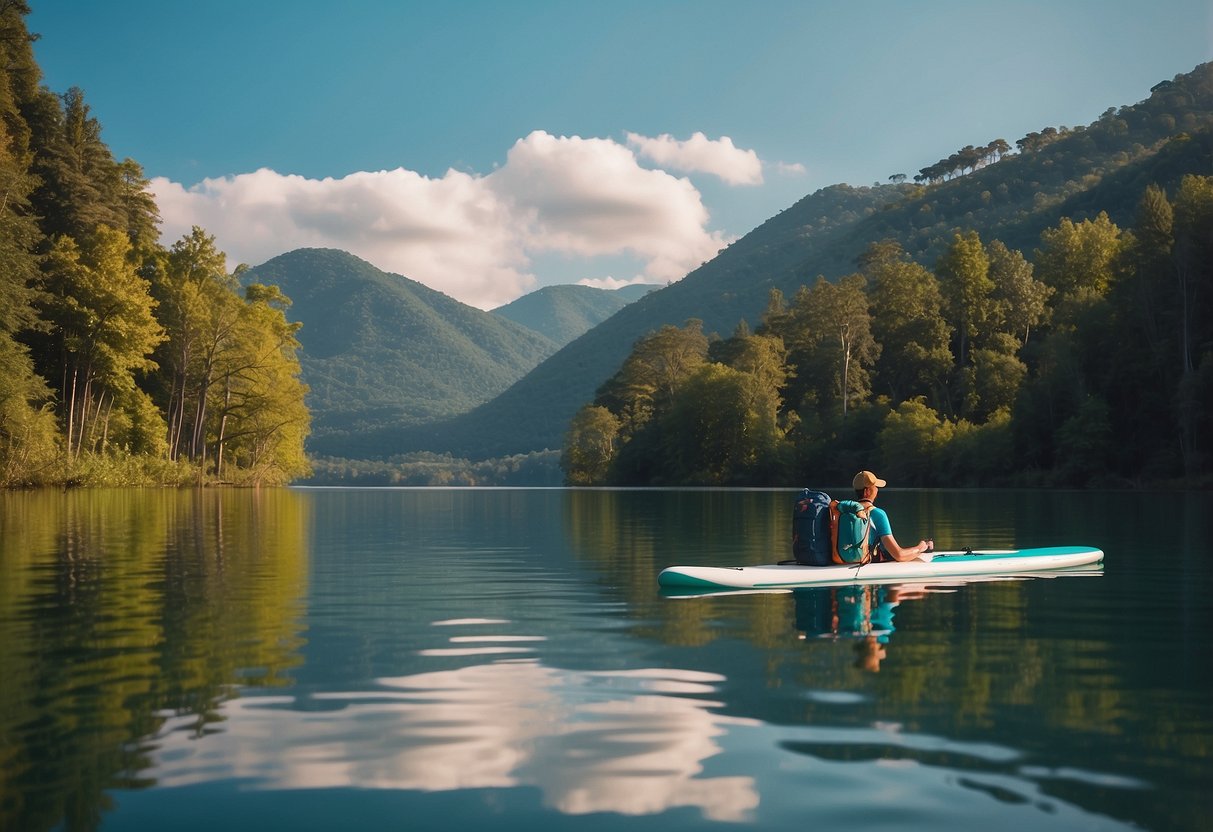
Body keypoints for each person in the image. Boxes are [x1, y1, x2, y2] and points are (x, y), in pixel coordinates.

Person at [851, 470, 933, 562]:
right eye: (875, 487)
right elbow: (899, 555)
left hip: (848, 560)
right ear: (867, 491)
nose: (877, 489)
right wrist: (920, 547)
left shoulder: (847, 512)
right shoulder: (878, 514)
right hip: (868, 562)